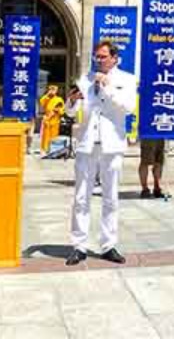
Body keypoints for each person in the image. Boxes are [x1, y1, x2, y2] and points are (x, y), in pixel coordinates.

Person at [65, 41, 136, 266]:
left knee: (110, 196)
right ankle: (79, 245)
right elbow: (71, 112)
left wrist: (107, 87)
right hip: (87, 143)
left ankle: (108, 245)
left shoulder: (126, 79)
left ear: (114, 58)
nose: (99, 60)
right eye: (97, 56)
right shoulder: (85, 79)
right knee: (81, 196)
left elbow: (128, 107)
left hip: (112, 144)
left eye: (103, 56)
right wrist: (71, 101)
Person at [38, 85, 63, 154]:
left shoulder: (59, 99)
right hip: (47, 119)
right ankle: (44, 149)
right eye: (51, 89)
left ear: (56, 91)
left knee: (54, 136)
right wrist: (48, 94)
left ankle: (53, 149)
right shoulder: (46, 98)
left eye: (54, 90)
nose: (52, 91)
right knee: (45, 136)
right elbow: (41, 102)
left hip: (55, 120)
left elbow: (62, 110)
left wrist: (57, 110)